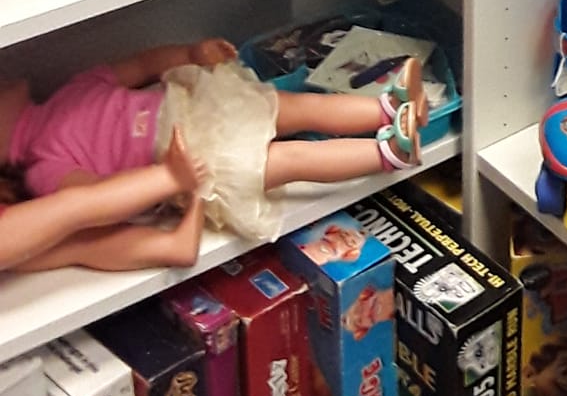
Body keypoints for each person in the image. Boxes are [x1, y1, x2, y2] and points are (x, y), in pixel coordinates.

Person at [0, 42, 424, 264]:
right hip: (190, 157)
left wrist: (190, 54)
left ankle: (389, 107)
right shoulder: (42, 166)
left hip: (200, 107)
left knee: (293, 107)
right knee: (288, 160)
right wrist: (169, 178)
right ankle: (388, 152)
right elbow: (102, 202)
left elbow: (140, 65)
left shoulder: (68, 92)